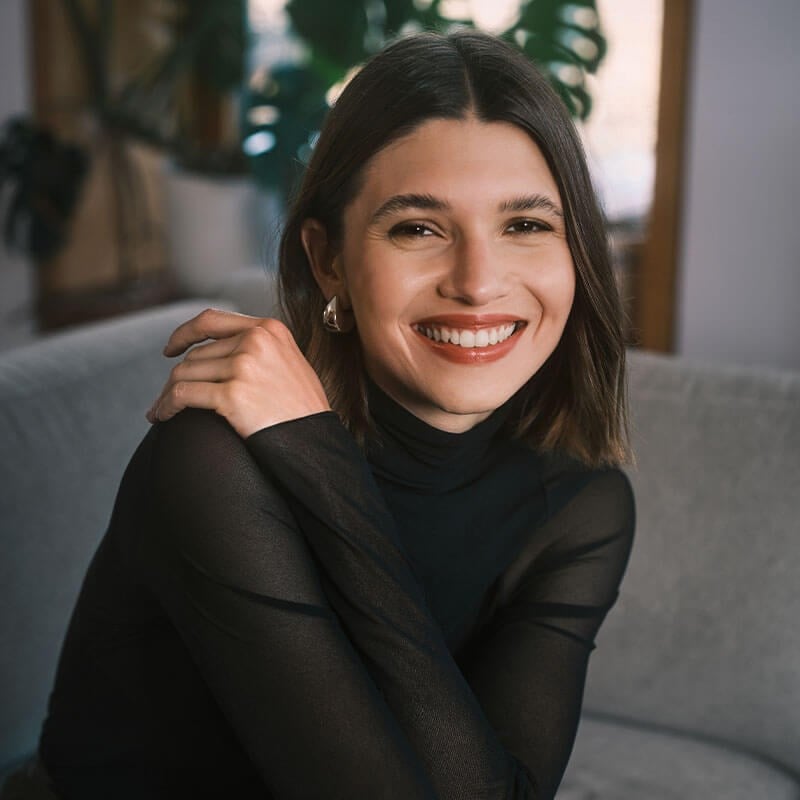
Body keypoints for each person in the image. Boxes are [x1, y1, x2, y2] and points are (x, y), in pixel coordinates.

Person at [29, 29, 634, 800]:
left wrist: (320, 467)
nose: (479, 284)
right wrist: (314, 457)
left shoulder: (581, 505)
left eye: (526, 225)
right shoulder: (214, 461)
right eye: (418, 227)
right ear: (328, 261)